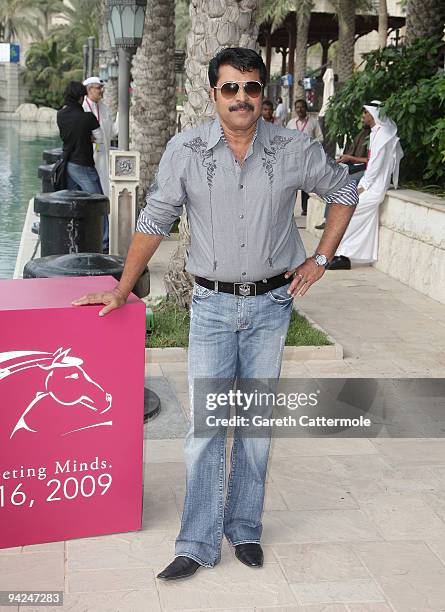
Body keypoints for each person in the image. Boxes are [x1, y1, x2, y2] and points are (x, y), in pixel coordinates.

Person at [73, 47, 358, 580]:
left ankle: (245, 528)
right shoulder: (186, 150)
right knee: (207, 428)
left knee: (252, 426)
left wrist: (321, 257)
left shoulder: (295, 147)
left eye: (251, 87)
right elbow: (155, 219)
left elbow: (345, 189)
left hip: (273, 305)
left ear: (262, 93)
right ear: (213, 94)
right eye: (230, 88)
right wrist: (121, 288)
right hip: (209, 307)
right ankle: (198, 541)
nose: (242, 98)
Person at [328, 100, 403, 270]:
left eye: (365, 113)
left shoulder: (383, 135)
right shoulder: (377, 132)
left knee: (348, 211)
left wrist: (362, 188)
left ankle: (343, 256)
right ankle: (343, 255)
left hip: (374, 188)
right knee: (348, 211)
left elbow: (375, 167)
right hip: (370, 185)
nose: (362, 116)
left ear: (372, 114)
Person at [315, 125, 370, 230]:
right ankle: (327, 219)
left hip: (366, 171)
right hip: (354, 167)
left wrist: (350, 158)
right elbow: (350, 154)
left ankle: (333, 221)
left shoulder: (374, 137)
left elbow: (371, 160)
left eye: (365, 113)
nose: (362, 117)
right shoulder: (361, 133)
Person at [56, 81, 103, 196]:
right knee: (98, 200)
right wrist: (89, 137)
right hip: (84, 164)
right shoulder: (88, 117)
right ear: (81, 98)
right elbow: (100, 138)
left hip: (67, 163)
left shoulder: (60, 115)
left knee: (73, 201)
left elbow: (68, 133)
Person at [82, 76, 118, 198]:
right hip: (88, 157)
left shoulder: (104, 108)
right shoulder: (83, 108)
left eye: (102, 88)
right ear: (89, 90)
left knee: (104, 186)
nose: (101, 90)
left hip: (103, 155)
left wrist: (122, 115)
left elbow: (112, 132)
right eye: (98, 88)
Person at [287, 98, 323, 216]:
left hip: (308, 157)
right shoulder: (291, 123)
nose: (300, 109)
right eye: (297, 107)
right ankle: (288, 209)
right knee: (292, 184)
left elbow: (320, 137)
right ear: (295, 109)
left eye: (302, 107)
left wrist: (310, 143)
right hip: (293, 158)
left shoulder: (313, 122)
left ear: (306, 108)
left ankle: (305, 208)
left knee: (306, 183)